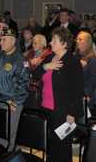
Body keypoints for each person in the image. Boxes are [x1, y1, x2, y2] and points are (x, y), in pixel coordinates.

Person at [32, 27, 83, 162]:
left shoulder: (72, 61)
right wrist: (45, 67)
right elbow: (34, 74)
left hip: (62, 111)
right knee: (49, 144)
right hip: (45, 108)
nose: (50, 43)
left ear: (65, 43)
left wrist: (72, 113)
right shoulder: (49, 57)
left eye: (54, 40)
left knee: (62, 147)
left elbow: (78, 90)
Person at [24, 34, 52, 109]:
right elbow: (22, 65)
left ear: (42, 44)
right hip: (28, 85)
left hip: (41, 88)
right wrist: (30, 62)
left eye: (35, 43)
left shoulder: (48, 55)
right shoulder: (29, 53)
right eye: (33, 43)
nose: (33, 45)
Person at [76, 31, 96, 116]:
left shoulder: (93, 59)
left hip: (86, 98)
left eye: (80, 39)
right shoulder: (77, 57)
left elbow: (93, 80)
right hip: (77, 95)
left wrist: (88, 95)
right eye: (77, 39)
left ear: (87, 42)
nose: (77, 41)